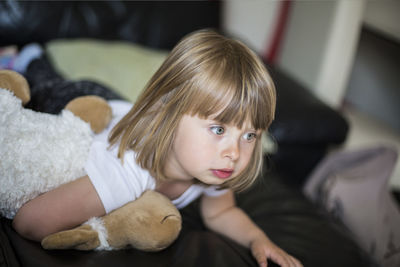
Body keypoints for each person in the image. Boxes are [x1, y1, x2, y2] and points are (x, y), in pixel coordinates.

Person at [12, 29, 303, 267]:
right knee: (42, 82)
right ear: (170, 114)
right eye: (218, 129)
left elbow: (220, 213)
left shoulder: (213, 164)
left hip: (124, 108)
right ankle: (29, 56)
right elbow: (28, 223)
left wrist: (258, 240)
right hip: (84, 102)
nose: (235, 153)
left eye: (250, 135)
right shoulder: (128, 171)